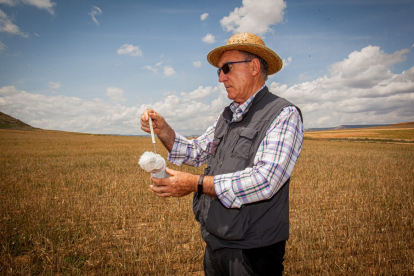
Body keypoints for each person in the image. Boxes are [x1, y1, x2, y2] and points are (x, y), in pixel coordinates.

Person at [141, 32, 304, 276]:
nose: (220, 78)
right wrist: (164, 130)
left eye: (226, 68)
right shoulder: (228, 115)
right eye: (218, 71)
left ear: (254, 67)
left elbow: (265, 180)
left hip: (253, 252)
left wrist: (195, 184)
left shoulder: (283, 114)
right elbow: (196, 152)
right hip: (216, 243)